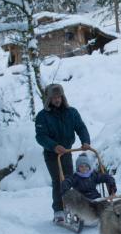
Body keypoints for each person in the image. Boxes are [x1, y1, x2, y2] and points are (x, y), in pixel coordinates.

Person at [35, 83, 91, 224]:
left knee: (70, 180)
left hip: (66, 151)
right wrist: (54, 146)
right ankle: (59, 210)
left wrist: (85, 141)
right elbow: (40, 136)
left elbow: (80, 127)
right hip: (52, 153)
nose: (57, 100)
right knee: (58, 180)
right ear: (49, 99)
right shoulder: (42, 116)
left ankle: (75, 207)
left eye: (59, 96)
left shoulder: (71, 112)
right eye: (54, 97)